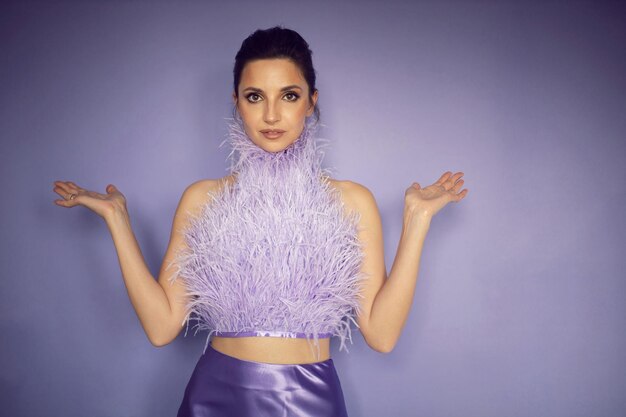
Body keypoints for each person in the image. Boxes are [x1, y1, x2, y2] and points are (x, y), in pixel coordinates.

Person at [52, 26, 468, 417]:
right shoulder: (203, 198)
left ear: (311, 101)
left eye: (288, 95)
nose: (271, 114)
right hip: (215, 395)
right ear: (237, 101)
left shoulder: (351, 201)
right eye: (255, 96)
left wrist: (417, 220)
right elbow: (162, 328)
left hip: (312, 398)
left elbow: (381, 335)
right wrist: (117, 220)